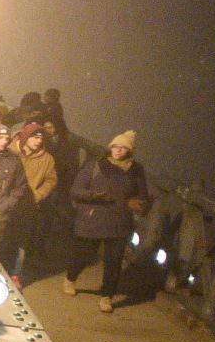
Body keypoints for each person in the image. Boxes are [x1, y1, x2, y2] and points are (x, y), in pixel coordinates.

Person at [65, 129, 151, 312]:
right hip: (95, 219)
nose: (118, 151)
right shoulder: (96, 164)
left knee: (114, 261)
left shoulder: (136, 170)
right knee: (84, 254)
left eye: (123, 148)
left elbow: (143, 195)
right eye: (115, 147)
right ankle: (70, 278)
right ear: (110, 147)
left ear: (130, 151)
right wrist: (94, 196)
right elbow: (76, 190)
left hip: (120, 222)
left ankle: (107, 296)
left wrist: (139, 204)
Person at [3, 124, 58, 283]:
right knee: (2, 239)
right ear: (25, 137)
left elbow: (51, 180)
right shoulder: (9, 152)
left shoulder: (46, 159)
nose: (38, 141)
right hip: (6, 202)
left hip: (27, 205)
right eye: (35, 137)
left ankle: (15, 275)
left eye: (41, 138)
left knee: (21, 243)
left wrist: (37, 195)